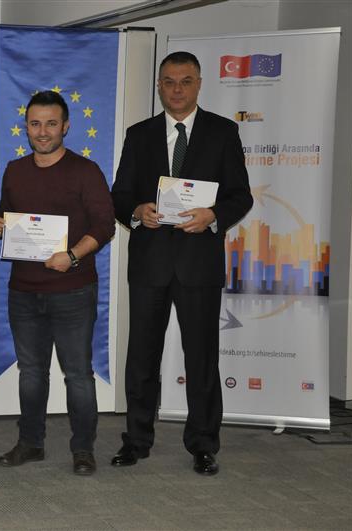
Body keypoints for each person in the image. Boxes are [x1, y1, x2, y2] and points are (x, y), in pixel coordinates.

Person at [110, 51, 253, 476]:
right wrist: (137, 211)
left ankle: (203, 445)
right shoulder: (139, 134)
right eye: (169, 81)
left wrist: (213, 215)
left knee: (201, 360)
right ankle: (136, 441)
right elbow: (119, 195)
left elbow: (240, 195)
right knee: (141, 359)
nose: (177, 89)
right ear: (159, 85)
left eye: (185, 81)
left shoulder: (223, 132)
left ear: (199, 84)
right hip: (150, 264)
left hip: (199, 264)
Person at [0, 91, 115, 476]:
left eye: (51, 124)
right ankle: (31, 443)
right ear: (26, 127)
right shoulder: (14, 170)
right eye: (35, 124)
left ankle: (83, 449)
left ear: (66, 127)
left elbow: (105, 226)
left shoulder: (85, 171)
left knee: (78, 375)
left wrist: (72, 256)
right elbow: (7, 217)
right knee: (31, 374)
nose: (42, 132)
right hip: (24, 291)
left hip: (73, 290)